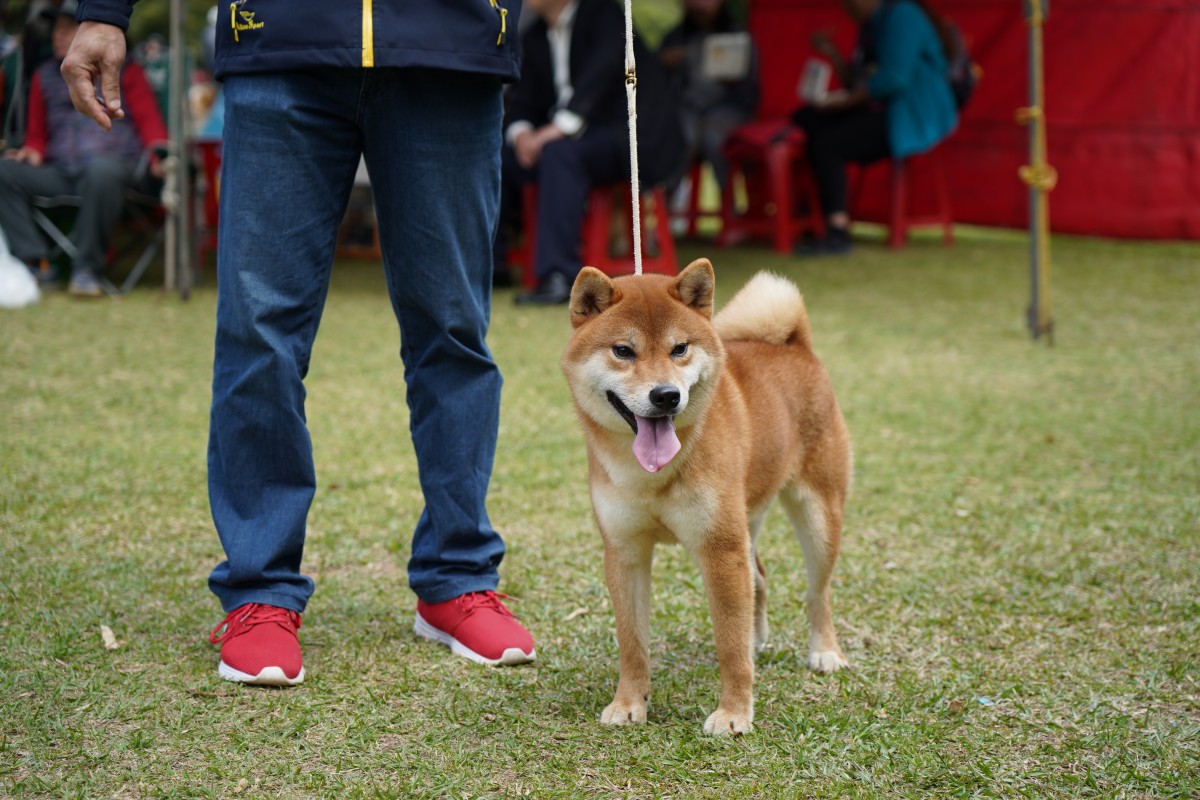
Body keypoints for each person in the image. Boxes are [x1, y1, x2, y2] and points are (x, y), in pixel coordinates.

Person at [63, 0, 536, 683]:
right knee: (260, 330)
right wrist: (104, 10)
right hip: (281, 35)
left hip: (452, 40)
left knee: (454, 327)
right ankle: (259, 587)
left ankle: (456, 576)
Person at [501, 0, 682, 306]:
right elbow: (522, 99)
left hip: (629, 139)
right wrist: (521, 135)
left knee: (559, 154)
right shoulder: (534, 35)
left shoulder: (606, 16)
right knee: (497, 154)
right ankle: (494, 265)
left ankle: (559, 274)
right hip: (572, 140)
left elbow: (597, 81)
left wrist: (552, 132)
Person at [0, 0, 166, 296]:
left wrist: (158, 151)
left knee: (101, 169)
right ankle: (36, 262)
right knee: (3, 171)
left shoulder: (124, 68)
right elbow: (37, 132)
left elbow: (149, 120)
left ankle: (87, 270)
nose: (59, 35)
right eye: (57, 30)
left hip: (117, 170)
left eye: (69, 29)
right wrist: (33, 149)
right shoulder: (44, 76)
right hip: (64, 171)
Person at [792, 0, 958, 256]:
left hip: (912, 115)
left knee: (829, 142)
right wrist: (833, 53)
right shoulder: (871, 23)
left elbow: (894, 79)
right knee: (806, 118)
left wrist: (843, 103)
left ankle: (837, 230)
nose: (846, 8)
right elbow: (858, 80)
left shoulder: (903, 14)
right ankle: (805, 214)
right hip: (884, 109)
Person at [658, 0, 760, 195]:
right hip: (687, 108)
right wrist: (665, 63)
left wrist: (734, 80)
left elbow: (751, 90)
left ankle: (730, 206)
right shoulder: (677, 37)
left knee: (714, 139)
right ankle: (665, 207)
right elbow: (656, 80)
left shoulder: (738, 35)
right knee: (681, 137)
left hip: (728, 109)